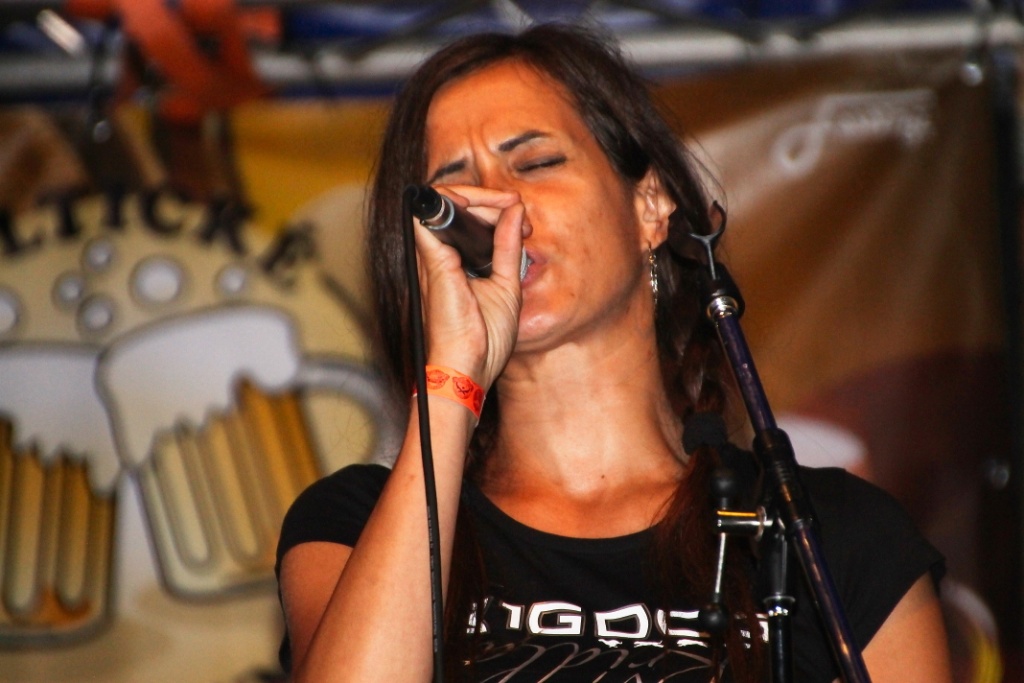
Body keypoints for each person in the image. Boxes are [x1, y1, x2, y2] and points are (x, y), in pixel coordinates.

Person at [275, 23, 951, 683]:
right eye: (456, 188)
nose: (498, 206)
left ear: (649, 206)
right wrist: (452, 377)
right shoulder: (357, 523)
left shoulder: (829, 536)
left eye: (536, 163)